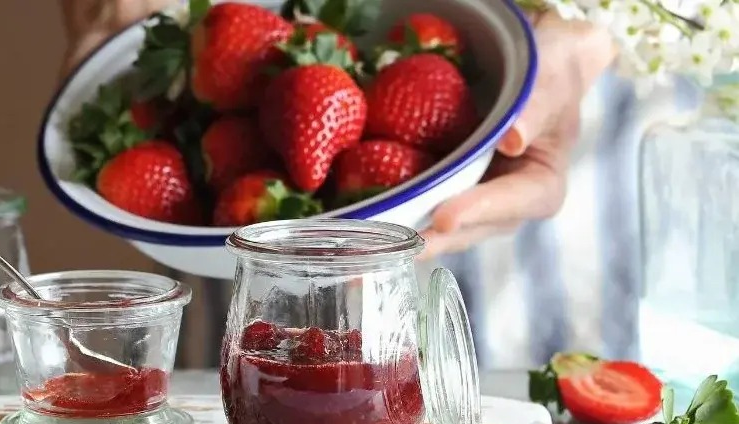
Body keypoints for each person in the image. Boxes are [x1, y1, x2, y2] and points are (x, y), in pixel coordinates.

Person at [58, 0, 695, 370]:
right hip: (241, 224)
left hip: (573, 142)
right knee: (270, 404)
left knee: (560, 420)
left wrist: (586, 34)